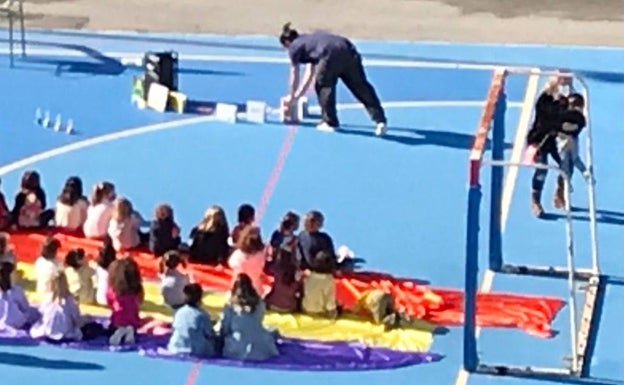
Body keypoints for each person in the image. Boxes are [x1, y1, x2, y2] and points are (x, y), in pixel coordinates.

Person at [278, 22, 387, 136]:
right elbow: (309, 73)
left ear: (287, 42)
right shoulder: (310, 40)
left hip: (329, 55)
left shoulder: (294, 47)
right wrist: (297, 96)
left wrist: (291, 95)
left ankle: (330, 122)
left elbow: (294, 74)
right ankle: (380, 120)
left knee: (323, 85)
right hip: (348, 49)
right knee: (360, 86)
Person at [526, 76, 567, 217]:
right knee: (542, 169)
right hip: (539, 140)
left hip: (553, 141)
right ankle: (535, 200)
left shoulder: (563, 103)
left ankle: (559, 192)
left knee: (566, 166)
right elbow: (547, 118)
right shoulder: (544, 101)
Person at [219, 274, 279, 361]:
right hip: (261, 345)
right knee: (271, 331)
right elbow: (258, 321)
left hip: (238, 347)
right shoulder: (259, 302)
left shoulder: (230, 305)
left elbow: (224, 329)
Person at [167, 283, 217, 356]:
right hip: (194, 350)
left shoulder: (179, 312)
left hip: (175, 347)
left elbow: (174, 328)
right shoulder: (202, 315)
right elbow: (209, 333)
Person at [106, 258, 144, 345]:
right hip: (133, 321)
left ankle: (121, 330)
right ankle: (129, 330)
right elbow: (140, 302)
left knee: (111, 331)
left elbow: (109, 303)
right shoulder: (137, 290)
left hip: (117, 321)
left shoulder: (112, 291)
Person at [228, 226, 267, 296]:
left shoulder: (238, 254)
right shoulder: (261, 255)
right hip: (255, 289)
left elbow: (231, 263)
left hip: (238, 287)